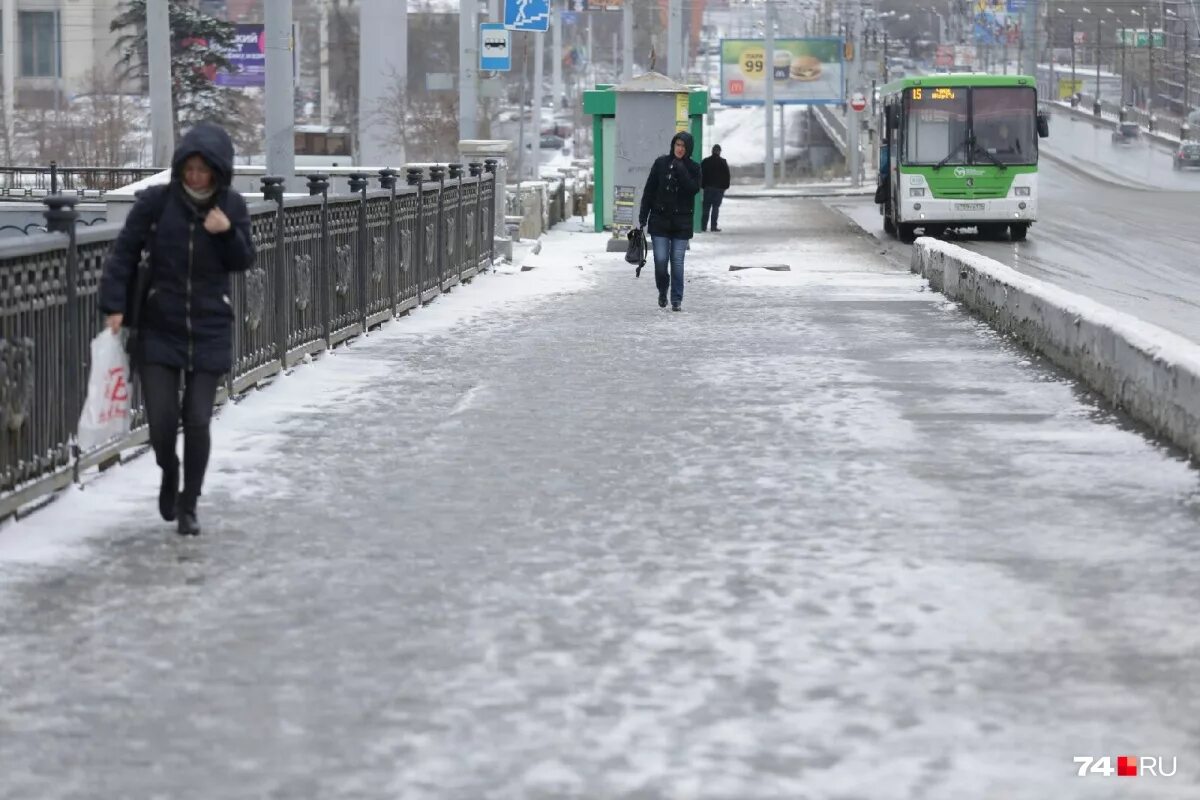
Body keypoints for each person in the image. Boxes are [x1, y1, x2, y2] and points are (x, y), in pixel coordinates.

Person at [99, 123, 255, 536]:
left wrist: (227, 234)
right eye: (190, 168)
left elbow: (243, 260)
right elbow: (124, 254)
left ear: (219, 172)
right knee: (164, 423)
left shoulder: (231, 207)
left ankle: (190, 503)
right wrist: (114, 305)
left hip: (210, 328)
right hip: (159, 327)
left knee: (199, 420)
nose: (196, 177)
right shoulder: (156, 203)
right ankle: (169, 469)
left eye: (204, 170)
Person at [638, 131, 701, 312]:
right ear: (673, 145)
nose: (680, 149)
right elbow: (649, 191)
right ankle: (663, 290)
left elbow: (693, 189)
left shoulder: (694, 168)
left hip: (682, 222)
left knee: (677, 260)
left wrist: (681, 170)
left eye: (683, 146)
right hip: (660, 220)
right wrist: (643, 216)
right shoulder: (660, 164)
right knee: (660, 259)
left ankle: (676, 299)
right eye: (677, 145)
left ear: (688, 149)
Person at [700, 144, 730, 232]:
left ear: (712, 151)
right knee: (715, 208)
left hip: (708, 188)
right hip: (719, 189)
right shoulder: (723, 162)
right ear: (719, 151)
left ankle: (703, 226)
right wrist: (725, 187)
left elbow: (700, 174)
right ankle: (713, 227)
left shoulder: (706, 161)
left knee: (706, 208)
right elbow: (727, 176)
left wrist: (702, 185)